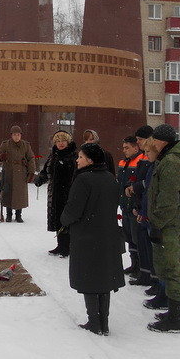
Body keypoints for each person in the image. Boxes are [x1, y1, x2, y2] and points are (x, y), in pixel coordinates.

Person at [60, 143, 125, 335]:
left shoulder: (83, 180)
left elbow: (73, 210)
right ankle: (103, 322)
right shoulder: (110, 179)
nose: (77, 160)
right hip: (107, 236)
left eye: (80, 157)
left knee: (89, 279)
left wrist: (64, 220)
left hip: (87, 237)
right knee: (104, 278)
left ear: (90, 160)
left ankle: (93, 322)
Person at [145, 124, 180, 333]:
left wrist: (157, 224)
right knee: (167, 266)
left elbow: (168, 202)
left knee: (172, 269)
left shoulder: (171, 162)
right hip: (168, 224)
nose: (152, 143)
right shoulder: (168, 159)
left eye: (154, 139)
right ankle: (173, 312)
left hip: (169, 225)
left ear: (162, 141)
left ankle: (175, 319)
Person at [35, 130, 77, 256]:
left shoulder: (73, 155)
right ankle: (60, 245)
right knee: (57, 219)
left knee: (67, 220)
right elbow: (47, 170)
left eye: (63, 140)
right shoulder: (54, 154)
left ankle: (68, 246)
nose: (60, 143)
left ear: (68, 141)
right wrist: (40, 178)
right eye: (58, 141)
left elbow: (76, 174)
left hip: (68, 192)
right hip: (55, 193)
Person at [127, 125, 155, 286]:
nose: (138, 143)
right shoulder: (144, 157)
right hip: (140, 205)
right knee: (140, 241)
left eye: (140, 139)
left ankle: (152, 278)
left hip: (148, 208)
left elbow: (149, 182)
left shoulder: (152, 158)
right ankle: (144, 274)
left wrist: (136, 187)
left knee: (148, 245)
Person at [116, 136, 146, 277]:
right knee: (129, 237)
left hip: (134, 206)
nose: (124, 150)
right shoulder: (123, 162)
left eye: (127, 147)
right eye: (123, 147)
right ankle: (134, 264)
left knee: (137, 238)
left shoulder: (141, 161)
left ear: (136, 147)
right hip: (125, 206)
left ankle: (141, 266)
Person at [0, 125, 36, 223]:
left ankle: (18, 215)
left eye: (18, 135)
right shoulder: (5, 144)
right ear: (11, 135)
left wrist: (31, 172)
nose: (16, 137)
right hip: (8, 172)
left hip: (21, 173)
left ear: (21, 135)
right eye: (14, 135)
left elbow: (31, 158)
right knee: (8, 193)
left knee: (19, 195)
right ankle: (9, 215)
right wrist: (1, 157)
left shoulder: (26, 145)